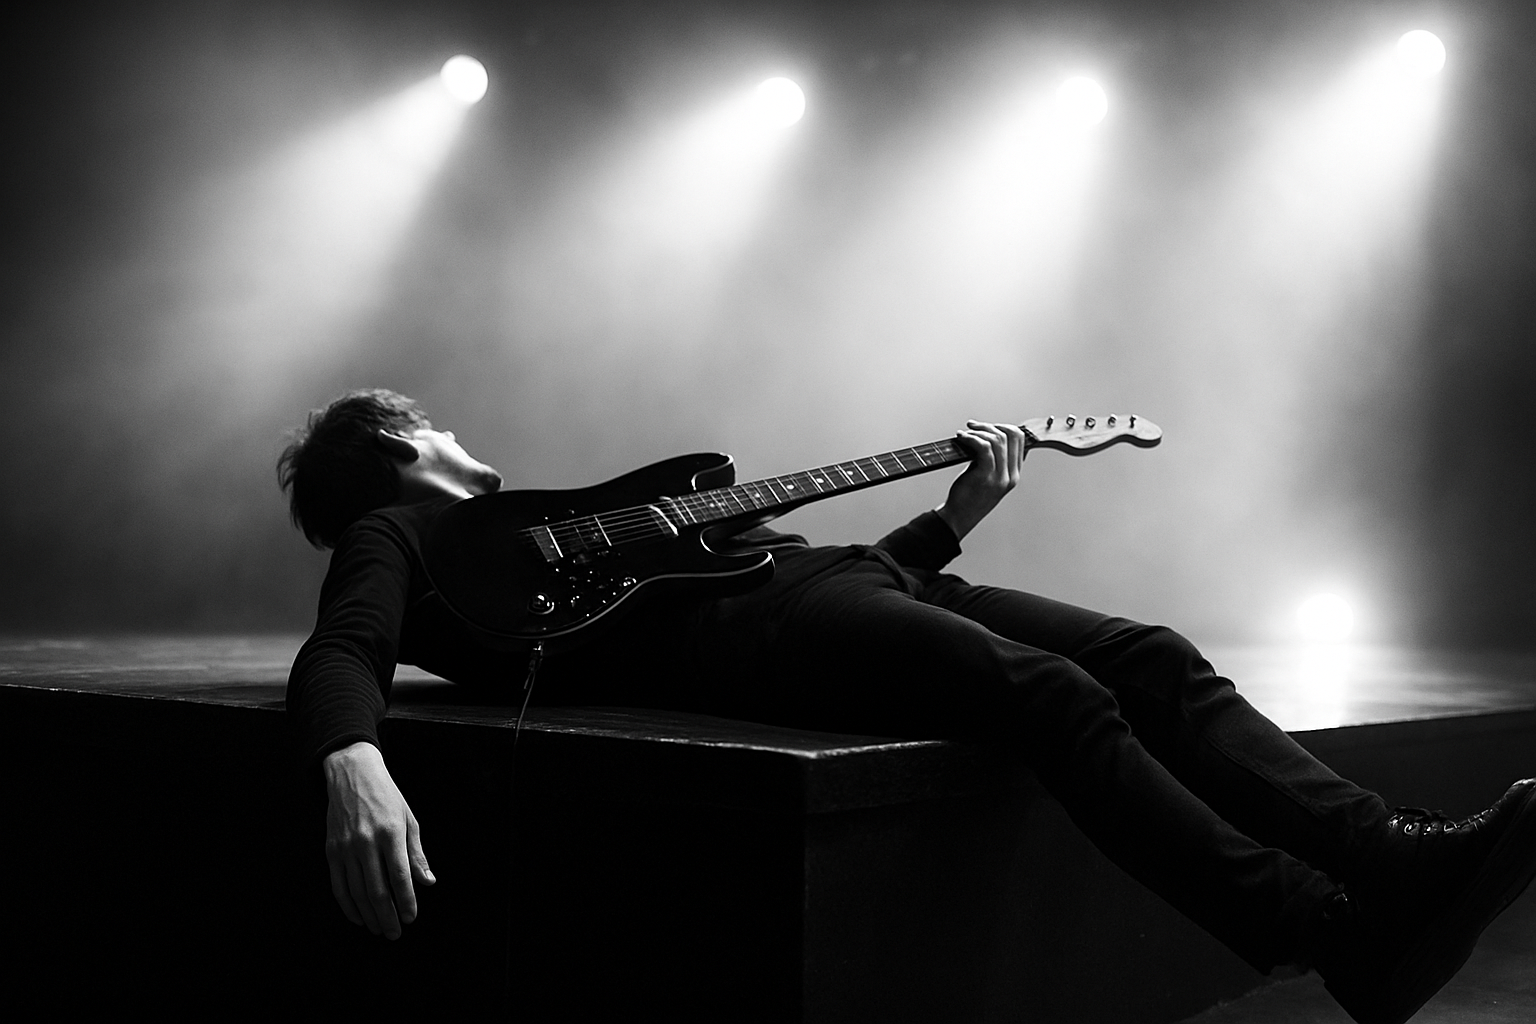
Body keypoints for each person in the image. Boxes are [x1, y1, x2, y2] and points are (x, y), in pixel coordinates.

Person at [282, 387, 1536, 1024]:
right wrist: (352, 758)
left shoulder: (548, 515)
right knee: (1052, 694)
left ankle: (1386, 850)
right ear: (395, 442)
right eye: (430, 422)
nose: (456, 432)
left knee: (1149, 654)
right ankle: (1334, 930)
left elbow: (753, 561)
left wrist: (948, 522)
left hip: (847, 577)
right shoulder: (401, 532)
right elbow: (344, 647)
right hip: (768, 632)